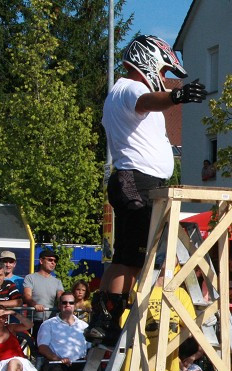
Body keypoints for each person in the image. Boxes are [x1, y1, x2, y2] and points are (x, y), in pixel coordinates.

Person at [87, 34, 205, 344]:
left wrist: (171, 97)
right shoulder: (131, 88)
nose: (164, 79)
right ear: (149, 62)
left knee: (132, 256)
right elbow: (146, 102)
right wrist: (175, 98)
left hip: (142, 182)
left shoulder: (122, 91)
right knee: (130, 256)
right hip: (135, 180)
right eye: (163, 71)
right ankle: (106, 319)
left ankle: (107, 319)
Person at [36, 293, 89, 371]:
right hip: (57, 361)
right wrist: (58, 358)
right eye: (64, 302)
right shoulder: (49, 324)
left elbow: (91, 346)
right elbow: (43, 347)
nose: (67, 305)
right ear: (59, 305)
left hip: (79, 361)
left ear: (75, 305)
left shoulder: (83, 325)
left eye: (71, 302)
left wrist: (88, 357)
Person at [23, 249, 64, 328]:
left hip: (52, 322)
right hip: (33, 321)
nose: (53, 263)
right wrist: (35, 305)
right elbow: (27, 295)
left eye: (55, 261)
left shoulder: (57, 281)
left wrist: (64, 303)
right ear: (41, 261)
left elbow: (61, 296)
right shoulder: (30, 278)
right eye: (50, 260)